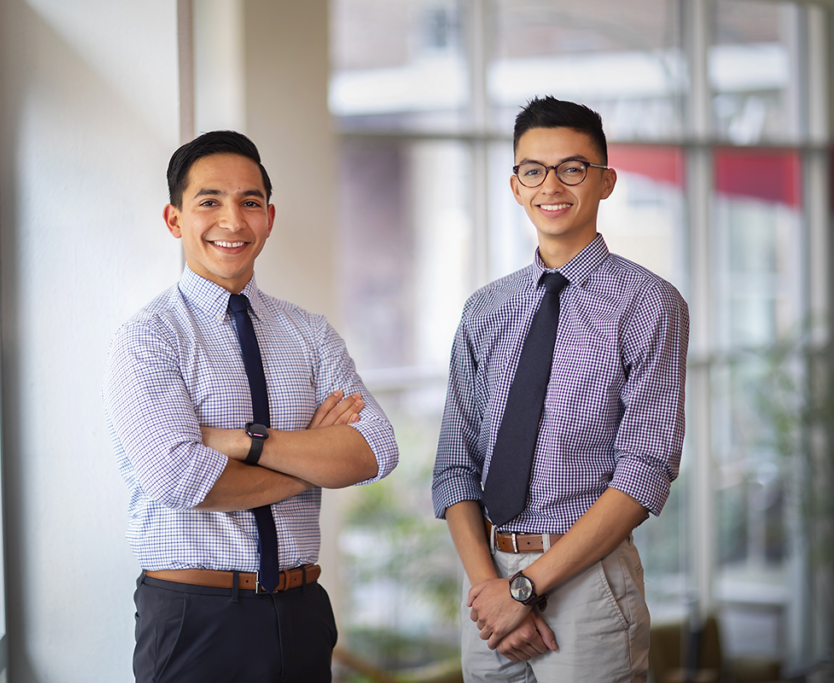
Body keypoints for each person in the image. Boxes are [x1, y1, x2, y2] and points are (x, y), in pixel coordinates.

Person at [103, 130, 398, 683]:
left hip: (302, 609)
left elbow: (374, 451)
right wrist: (310, 463)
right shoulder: (149, 338)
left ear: (269, 217)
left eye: (250, 203)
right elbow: (181, 480)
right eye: (209, 202)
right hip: (195, 618)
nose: (233, 222)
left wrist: (243, 443)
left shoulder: (309, 333)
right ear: (175, 219)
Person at [432, 96, 688, 681]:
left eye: (573, 168)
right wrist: (494, 589)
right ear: (517, 185)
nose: (552, 185)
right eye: (533, 170)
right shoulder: (486, 309)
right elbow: (454, 467)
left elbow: (645, 471)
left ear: (606, 182)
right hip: (488, 583)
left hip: (587, 582)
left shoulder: (649, 304)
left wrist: (527, 586)